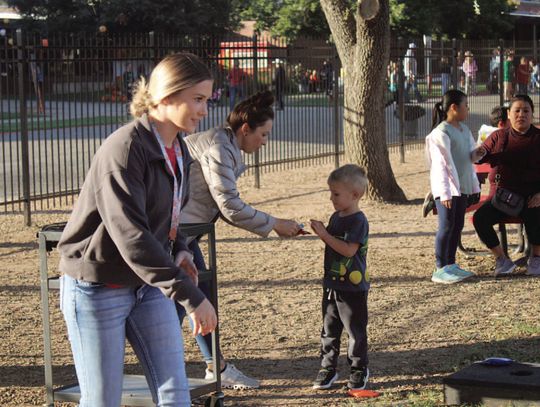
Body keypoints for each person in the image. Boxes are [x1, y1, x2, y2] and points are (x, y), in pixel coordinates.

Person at [56, 52, 217, 407]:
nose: (205, 110)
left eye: (207, 99)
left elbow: (168, 218)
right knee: (102, 400)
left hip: (146, 287)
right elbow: (131, 235)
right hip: (98, 288)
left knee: (175, 396)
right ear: (166, 95)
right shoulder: (126, 148)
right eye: (198, 99)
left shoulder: (180, 150)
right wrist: (190, 294)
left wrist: (182, 250)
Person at [177, 90, 302, 389]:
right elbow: (229, 205)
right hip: (178, 231)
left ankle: (214, 365)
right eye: (263, 134)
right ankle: (191, 367)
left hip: (187, 230)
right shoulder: (219, 147)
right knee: (184, 299)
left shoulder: (225, 144)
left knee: (198, 295)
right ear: (245, 129)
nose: (265, 141)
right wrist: (274, 224)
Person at [310, 164, 370, 391]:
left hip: (353, 289)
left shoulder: (358, 221)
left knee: (355, 330)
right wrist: (322, 232)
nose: (331, 198)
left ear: (354, 195)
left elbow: (348, 250)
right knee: (329, 329)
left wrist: (324, 234)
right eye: (331, 193)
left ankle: (358, 368)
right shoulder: (336, 216)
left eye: (336, 194)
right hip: (332, 285)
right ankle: (328, 367)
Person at [473, 94, 540, 276]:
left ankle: (536, 258)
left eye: (526, 111)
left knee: (537, 213)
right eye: (516, 111)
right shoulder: (498, 136)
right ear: (509, 114)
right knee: (480, 219)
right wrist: (477, 153)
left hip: (532, 197)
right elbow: (481, 154)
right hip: (504, 198)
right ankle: (502, 260)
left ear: (532, 114)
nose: (521, 115)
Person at [425, 89, 482, 284]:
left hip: (462, 187)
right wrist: (445, 193)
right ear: (453, 107)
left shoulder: (464, 130)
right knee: (446, 225)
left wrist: (479, 152)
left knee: (457, 224)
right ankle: (440, 267)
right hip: (447, 190)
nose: (468, 109)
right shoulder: (440, 133)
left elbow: (469, 155)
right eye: (465, 105)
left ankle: (450, 264)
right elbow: (441, 165)